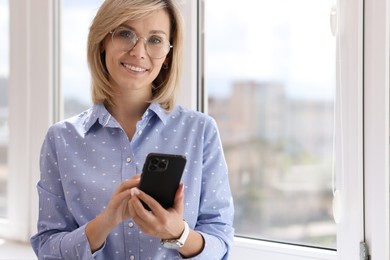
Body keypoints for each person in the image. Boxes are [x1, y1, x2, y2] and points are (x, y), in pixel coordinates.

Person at [30, 0, 234, 259]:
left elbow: (221, 241)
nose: (139, 51)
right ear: (103, 40)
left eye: (155, 40)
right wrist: (105, 221)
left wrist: (177, 233)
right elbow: (47, 248)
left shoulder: (200, 130)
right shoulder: (61, 139)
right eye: (126, 34)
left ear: (168, 55)